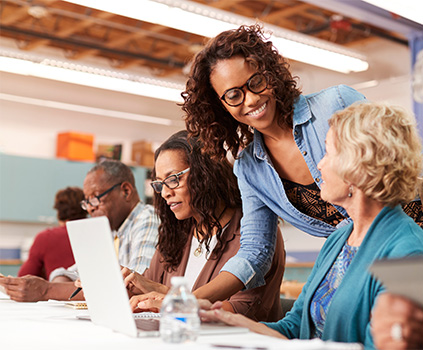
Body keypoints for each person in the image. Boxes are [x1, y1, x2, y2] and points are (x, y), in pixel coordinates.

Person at [182, 24, 423, 298]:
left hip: (410, 242)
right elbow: (254, 251)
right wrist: (190, 300)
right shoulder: (249, 169)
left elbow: (401, 170)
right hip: (360, 266)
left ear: (270, 74)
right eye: (234, 95)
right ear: (220, 104)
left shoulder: (336, 104)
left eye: (256, 82)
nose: (251, 99)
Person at [199, 102, 423, 348]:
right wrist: (229, 322)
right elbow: (294, 327)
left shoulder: (409, 254)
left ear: (357, 167)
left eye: (328, 153)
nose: (319, 164)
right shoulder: (339, 239)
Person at [122, 130, 285, 322]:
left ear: (205, 173)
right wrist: (133, 286)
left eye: (173, 179)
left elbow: (241, 311)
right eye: (160, 184)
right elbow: (154, 299)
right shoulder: (177, 234)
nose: (164, 193)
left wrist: (170, 302)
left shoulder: (254, 234)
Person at [0, 160, 159, 302]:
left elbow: (135, 287)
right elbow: (72, 273)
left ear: (126, 191)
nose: (90, 208)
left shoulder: (147, 219)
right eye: (87, 201)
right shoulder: (110, 229)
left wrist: (47, 290)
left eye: (96, 198)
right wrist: (60, 286)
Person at [18, 187, 87, 280]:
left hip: (57, 292)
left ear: (58, 211)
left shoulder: (45, 238)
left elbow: (23, 277)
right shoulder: (98, 233)